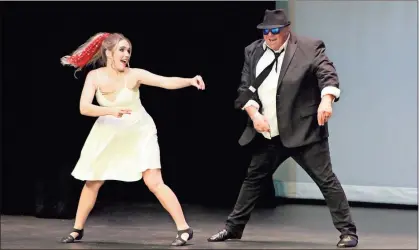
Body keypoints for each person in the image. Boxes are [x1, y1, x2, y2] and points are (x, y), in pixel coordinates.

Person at [207, 9, 358, 248]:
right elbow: (245, 89)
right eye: (265, 31)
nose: (269, 35)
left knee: (326, 180)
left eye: (274, 31)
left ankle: (348, 232)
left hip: (303, 131)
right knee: (253, 179)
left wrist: (327, 100)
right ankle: (233, 228)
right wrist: (254, 115)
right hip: (269, 133)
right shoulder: (253, 51)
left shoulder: (309, 47)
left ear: (286, 30)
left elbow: (327, 74)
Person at [59, 32, 205, 246]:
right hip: (108, 133)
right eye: (121, 50)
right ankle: (77, 229)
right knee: (93, 180)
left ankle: (184, 228)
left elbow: (164, 82)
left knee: (154, 181)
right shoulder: (95, 76)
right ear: (109, 53)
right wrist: (111, 111)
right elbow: (84, 108)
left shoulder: (134, 75)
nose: (126, 54)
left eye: (128, 50)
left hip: (140, 132)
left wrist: (190, 80)